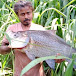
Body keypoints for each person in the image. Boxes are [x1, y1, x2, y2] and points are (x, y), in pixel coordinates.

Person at [0, 1, 64, 76]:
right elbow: (1, 50)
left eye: (28, 13)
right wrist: (11, 47)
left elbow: (52, 54)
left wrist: (58, 58)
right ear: (17, 15)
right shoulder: (12, 29)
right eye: (22, 14)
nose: (26, 17)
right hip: (19, 74)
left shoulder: (40, 29)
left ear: (32, 13)